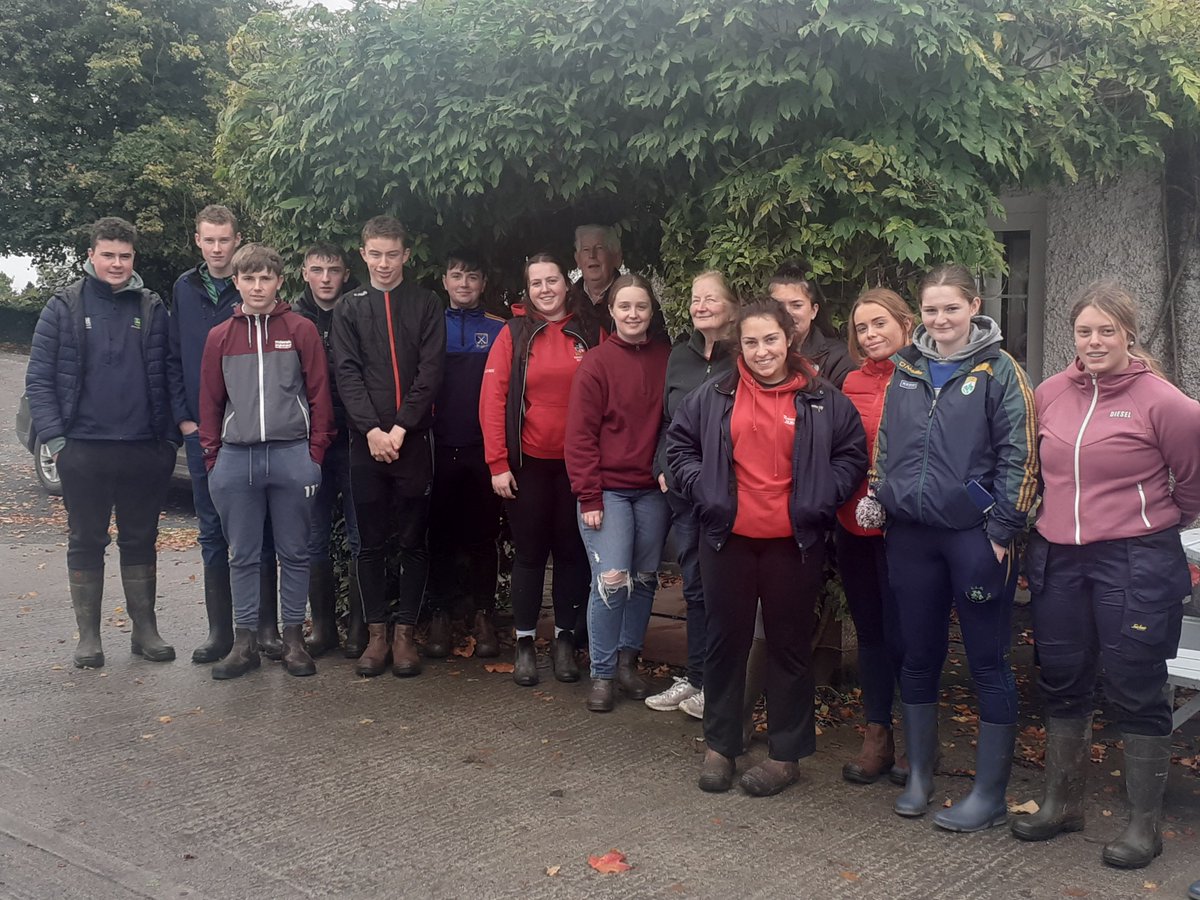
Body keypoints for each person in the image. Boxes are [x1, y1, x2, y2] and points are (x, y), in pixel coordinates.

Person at [1012, 282, 1200, 869]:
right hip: (1060, 558)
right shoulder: (1049, 392)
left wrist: (1147, 521)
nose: (1094, 341)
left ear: (1128, 334)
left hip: (1135, 560)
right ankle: (1062, 803)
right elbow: (1034, 469)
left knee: (1135, 684)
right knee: (1063, 678)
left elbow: (1191, 487)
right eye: (1085, 331)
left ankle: (1145, 827)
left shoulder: (1165, 403)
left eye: (1106, 331)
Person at [667, 298, 866, 796]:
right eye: (751, 342)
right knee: (725, 644)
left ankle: (785, 755)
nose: (762, 351)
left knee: (789, 648)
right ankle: (722, 745)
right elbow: (679, 447)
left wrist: (822, 497)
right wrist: (706, 490)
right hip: (727, 540)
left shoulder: (823, 398)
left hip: (792, 545)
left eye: (771, 339)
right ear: (740, 344)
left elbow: (852, 453)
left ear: (789, 339)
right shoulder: (714, 395)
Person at [871, 263, 1038, 831]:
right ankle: (920, 774)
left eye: (951, 307)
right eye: (932, 309)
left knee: (988, 662)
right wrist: (881, 494)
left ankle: (989, 796)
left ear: (973, 306)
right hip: (912, 537)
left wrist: (1002, 531)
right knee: (918, 657)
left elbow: (1022, 455)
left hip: (974, 537)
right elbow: (888, 442)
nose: (941, 319)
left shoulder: (1000, 371)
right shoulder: (908, 369)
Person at [26, 216, 179, 668]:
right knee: (86, 540)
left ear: (134, 259)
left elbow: (172, 375)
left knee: (140, 539)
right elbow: (39, 380)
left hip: (142, 448)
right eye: (108, 254)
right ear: (92, 255)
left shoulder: (151, 306)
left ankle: (144, 631)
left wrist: (168, 440)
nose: (116, 263)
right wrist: (56, 441)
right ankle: (88, 637)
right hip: (83, 449)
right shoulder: (63, 305)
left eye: (125, 256)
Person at [199, 244, 334, 679]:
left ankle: (294, 640)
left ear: (279, 281)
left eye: (266, 278)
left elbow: (319, 395)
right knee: (243, 555)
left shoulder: (300, 330)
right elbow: (210, 402)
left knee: (295, 552)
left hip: (291, 454)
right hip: (237, 458)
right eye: (249, 279)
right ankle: (245, 643)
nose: (258, 287)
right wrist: (213, 458)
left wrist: (314, 455)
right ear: (236, 282)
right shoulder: (220, 336)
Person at [479, 252, 601, 687]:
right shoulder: (514, 333)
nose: (545, 289)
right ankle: (526, 643)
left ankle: (566, 641)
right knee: (529, 556)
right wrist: (498, 463)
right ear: (527, 291)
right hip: (527, 465)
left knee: (572, 555)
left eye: (552, 281)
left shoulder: (589, 331)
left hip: (578, 467)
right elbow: (492, 400)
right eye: (536, 284)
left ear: (566, 285)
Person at [331, 216, 445, 678]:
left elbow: (431, 371)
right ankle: (376, 636)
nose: (383, 263)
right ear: (363, 254)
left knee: (413, 541)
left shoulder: (425, 303)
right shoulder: (348, 307)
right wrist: (373, 432)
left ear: (405, 255)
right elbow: (347, 373)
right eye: (375, 254)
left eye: (391, 254)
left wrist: (400, 429)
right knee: (371, 544)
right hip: (366, 444)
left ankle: (405, 636)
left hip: (413, 443)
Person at [168, 205, 281, 665]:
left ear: (237, 240)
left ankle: (267, 630)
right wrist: (186, 421)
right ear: (198, 241)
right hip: (204, 433)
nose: (217, 248)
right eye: (209, 240)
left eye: (225, 240)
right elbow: (173, 357)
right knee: (213, 531)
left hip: (253, 431)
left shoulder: (249, 288)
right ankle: (222, 632)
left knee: (265, 530)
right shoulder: (184, 288)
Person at [565, 274, 671, 711]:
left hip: (651, 491)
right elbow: (580, 436)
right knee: (611, 581)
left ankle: (629, 661)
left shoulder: (668, 358)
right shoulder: (596, 363)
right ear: (611, 311)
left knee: (644, 580)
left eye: (640, 307)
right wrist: (588, 495)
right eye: (624, 306)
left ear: (651, 311)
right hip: (606, 491)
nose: (632, 314)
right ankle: (603, 673)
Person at [645, 270, 737, 718]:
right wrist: (662, 469)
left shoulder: (742, 357)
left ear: (733, 306)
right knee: (695, 589)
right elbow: (666, 420)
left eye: (711, 299)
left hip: (725, 494)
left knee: (724, 590)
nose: (700, 306)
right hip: (682, 493)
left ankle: (719, 682)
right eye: (696, 299)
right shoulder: (679, 356)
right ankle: (696, 677)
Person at [835, 288, 914, 784]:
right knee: (870, 632)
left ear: (905, 323)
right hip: (854, 523)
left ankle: (917, 736)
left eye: (879, 323)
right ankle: (877, 734)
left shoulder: (924, 377)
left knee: (907, 633)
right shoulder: (850, 382)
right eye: (862, 328)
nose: (870, 335)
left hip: (907, 526)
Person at [425, 249, 506, 659]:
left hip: (482, 449)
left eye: (472, 276)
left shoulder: (499, 329)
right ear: (444, 280)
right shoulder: (430, 325)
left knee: (482, 536)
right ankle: (439, 613)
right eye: (457, 275)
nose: (464, 284)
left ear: (483, 285)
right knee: (438, 534)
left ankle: (483, 614)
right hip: (438, 447)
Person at [292, 242, 362, 658]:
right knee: (314, 537)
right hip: (307, 442)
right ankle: (321, 627)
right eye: (316, 269)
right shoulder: (292, 318)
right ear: (304, 273)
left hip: (353, 437)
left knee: (359, 536)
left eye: (333, 270)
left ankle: (357, 627)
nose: (324, 277)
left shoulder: (358, 311)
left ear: (345, 273)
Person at [768, 261, 854, 388]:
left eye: (796, 305)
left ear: (814, 310)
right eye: (778, 305)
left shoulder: (839, 359)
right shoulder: (757, 355)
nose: (786, 313)